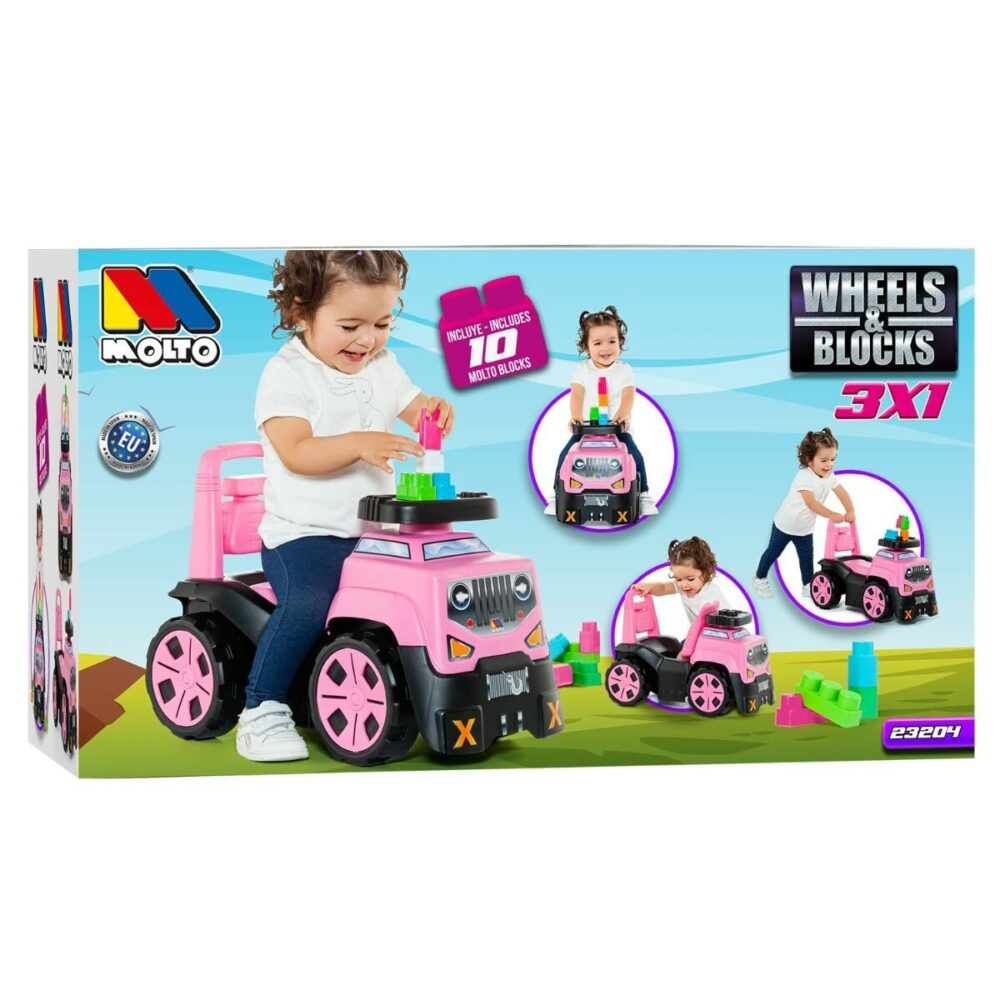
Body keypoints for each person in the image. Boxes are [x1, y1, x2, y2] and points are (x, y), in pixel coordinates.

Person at [238, 249, 454, 762]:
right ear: (301, 311)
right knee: (310, 602)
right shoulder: (287, 375)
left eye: (382, 323)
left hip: (374, 534)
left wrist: (434, 410)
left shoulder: (383, 365)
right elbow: (296, 451)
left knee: (424, 590)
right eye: (350, 326)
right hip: (304, 535)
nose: (367, 340)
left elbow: (415, 408)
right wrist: (359, 443)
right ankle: (261, 710)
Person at [544, 306, 657, 517]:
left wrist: (623, 414)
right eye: (597, 343)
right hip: (587, 430)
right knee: (565, 455)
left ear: (620, 342)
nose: (606, 348)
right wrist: (575, 415)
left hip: (617, 428)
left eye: (612, 341)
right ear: (586, 346)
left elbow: (628, 394)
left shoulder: (624, 369)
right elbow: (577, 394)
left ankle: (643, 494)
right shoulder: (582, 370)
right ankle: (556, 494)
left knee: (634, 455)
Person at [751, 427, 855, 601]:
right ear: (809, 460)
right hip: (785, 525)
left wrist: (850, 510)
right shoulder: (804, 477)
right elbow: (811, 503)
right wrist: (832, 514)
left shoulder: (829, 477)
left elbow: (842, 493)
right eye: (824, 460)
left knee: (806, 558)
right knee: (773, 552)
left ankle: (808, 585)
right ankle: (759, 577)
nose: (829, 465)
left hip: (805, 529)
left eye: (833, 459)